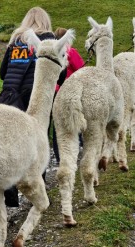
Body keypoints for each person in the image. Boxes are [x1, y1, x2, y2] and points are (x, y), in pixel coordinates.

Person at [0, 7, 66, 207]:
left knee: (10, 143)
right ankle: (38, 187)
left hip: (10, 97)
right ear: (45, 21)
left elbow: (3, 73)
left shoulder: (15, 41)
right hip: (37, 97)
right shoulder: (49, 40)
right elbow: (59, 73)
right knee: (38, 141)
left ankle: (9, 188)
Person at [51, 27, 85, 163]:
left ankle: (59, 156)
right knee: (74, 119)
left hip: (55, 91)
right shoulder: (70, 51)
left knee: (57, 125)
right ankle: (78, 146)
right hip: (71, 91)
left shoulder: (52, 51)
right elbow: (81, 69)